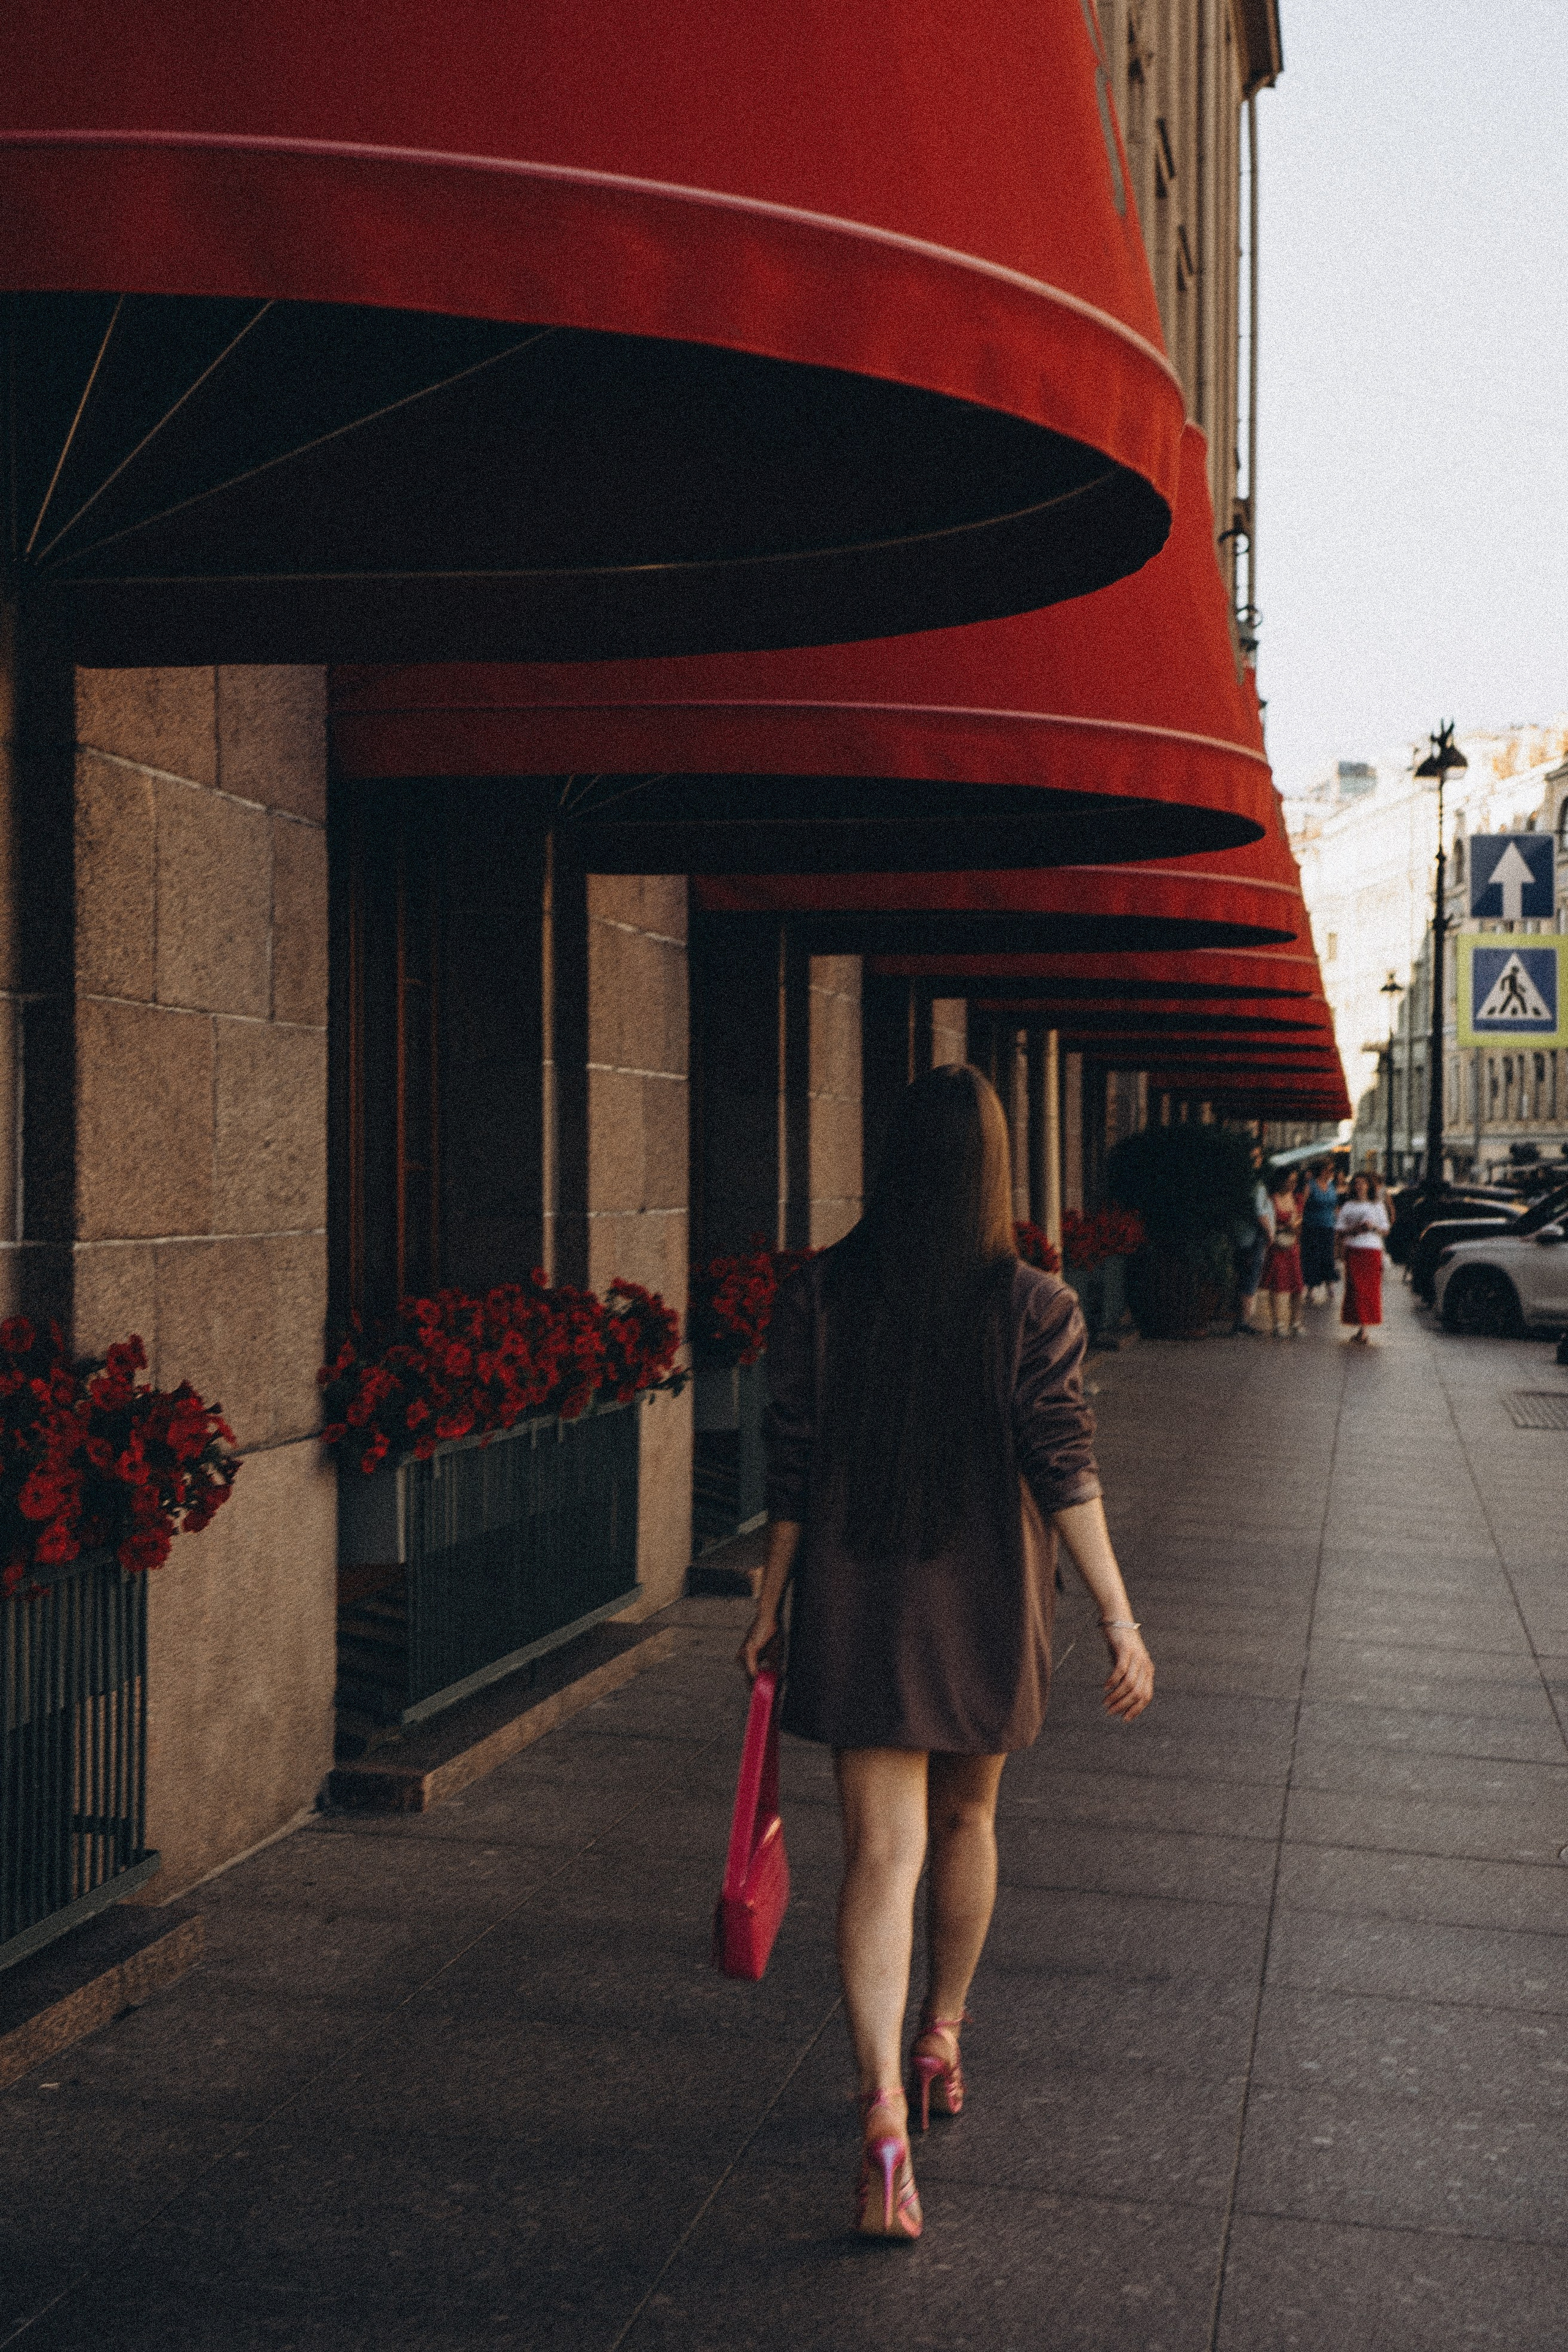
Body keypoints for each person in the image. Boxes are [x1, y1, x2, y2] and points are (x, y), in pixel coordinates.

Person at [740, 1066, 1153, 2242]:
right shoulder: (1036, 1305)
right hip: (986, 1602)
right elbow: (1063, 1468)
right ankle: (941, 2039)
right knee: (967, 1825)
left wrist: (770, 1603)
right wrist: (1119, 1618)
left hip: (858, 1597)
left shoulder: (822, 1292)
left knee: (880, 1853)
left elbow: (793, 1461)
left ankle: (879, 2115)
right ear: (994, 1170)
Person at [1336, 1170, 1390, 1343]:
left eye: (1363, 1183)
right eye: (1356, 1184)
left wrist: (1373, 1228)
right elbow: (1339, 1230)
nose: (1359, 1187)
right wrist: (1354, 1230)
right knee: (1355, 1289)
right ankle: (1361, 1326)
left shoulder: (1377, 1206)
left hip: (1372, 1250)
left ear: (1369, 1186)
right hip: (1354, 1249)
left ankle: (1364, 1328)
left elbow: (1386, 1229)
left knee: (1368, 1290)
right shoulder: (1348, 1206)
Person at [1231, 1142, 1275, 1334]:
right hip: (1253, 1237)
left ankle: (1240, 1320)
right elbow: (1260, 1212)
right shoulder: (1255, 1185)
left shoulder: (1240, 1182)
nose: (1259, 1161)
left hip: (1241, 1236)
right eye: (1256, 1157)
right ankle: (1242, 1322)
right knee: (1250, 1278)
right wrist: (1269, 1231)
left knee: (1244, 1276)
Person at [1262, 1169, 1306, 1335]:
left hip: (1292, 1245)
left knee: (1297, 1285)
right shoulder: (1272, 1200)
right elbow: (1269, 1222)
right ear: (1281, 1181)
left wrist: (1296, 1225)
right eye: (1290, 1181)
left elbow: (1300, 1218)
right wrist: (1282, 1227)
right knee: (1277, 1285)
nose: (1293, 1185)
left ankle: (1295, 1322)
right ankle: (1278, 1324)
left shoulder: (1297, 1198)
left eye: (1295, 1181)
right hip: (1277, 1245)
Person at [1300, 1161, 1340, 1303]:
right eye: (1329, 1170)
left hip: (1328, 1226)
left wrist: (1338, 1224)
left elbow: (1335, 1206)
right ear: (1322, 1171)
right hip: (1312, 1227)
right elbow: (1302, 1205)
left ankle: (1330, 1284)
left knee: (1328, 1256)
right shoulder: (1310, 1186)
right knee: (1313, 1256)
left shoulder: (1331, 1186)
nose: (1331, 1172)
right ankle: (1311, 1288)